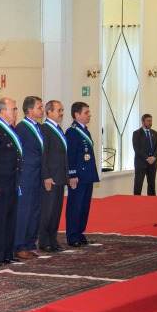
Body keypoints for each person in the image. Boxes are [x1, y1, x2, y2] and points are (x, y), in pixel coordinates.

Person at [0, 98, 22, 266]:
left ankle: (8, 253)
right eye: (13, 109)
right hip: (1, 182)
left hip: (13, 181)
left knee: (10, 219)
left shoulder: (11, 129)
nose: (16, 112)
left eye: (16, 109)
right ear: (1, 111)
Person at [13, 96, 44, 259]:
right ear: (29, 110)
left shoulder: (39, 127)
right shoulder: (22, 128)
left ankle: (31, 242)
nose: (42, 110)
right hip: (26, 176)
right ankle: (19, 245)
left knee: (35, 211)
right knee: (24, 211)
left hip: (38, 175)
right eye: (39, 107)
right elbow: (18, 153)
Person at [65, 102, 99, 247]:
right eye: (86, 112)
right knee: (75, 206)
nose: (89, 115)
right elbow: (70, 155)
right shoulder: (72, 132)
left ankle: (80, 233)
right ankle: (72, 236)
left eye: (89, 112)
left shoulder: (85, 130)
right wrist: (72, 174)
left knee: (84, 206)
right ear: (77, 115)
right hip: (77, 176)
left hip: (87, 175)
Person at [38, 100, 69, 253]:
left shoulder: (58, 129)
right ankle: (44, 241)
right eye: (59, 110)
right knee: (48, 211)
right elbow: (44, 155)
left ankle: (53, 239)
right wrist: (47, 175)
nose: (61, 113)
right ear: (49, 112)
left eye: (62, 110)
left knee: (56, 210)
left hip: (60, 175)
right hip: (51, 177)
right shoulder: (45, 129)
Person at [132, 114, 157, 196]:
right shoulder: (137, 133)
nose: (150, 123)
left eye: (151, 121)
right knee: (138, 185)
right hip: (141, 163)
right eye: (148, 121)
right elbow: (137, 148)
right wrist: (147, 158)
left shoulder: (154, 133)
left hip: (153, 163)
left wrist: (154, 157)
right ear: (143, 122)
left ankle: (152, 203)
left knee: (151, 185)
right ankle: (136, 203)